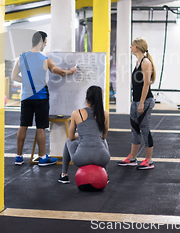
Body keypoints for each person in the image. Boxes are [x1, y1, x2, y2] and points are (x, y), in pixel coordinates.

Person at [12, 31, 77, 166]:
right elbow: (58, 71)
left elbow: (14, 77)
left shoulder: (21, 58)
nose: (45, 46)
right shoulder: (45, 60)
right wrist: (70, 71)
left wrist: (27, 83)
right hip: (41, 97)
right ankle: (42, 158)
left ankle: (18, 156)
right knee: (40, 127)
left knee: (23, 126)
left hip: (26, 97)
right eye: (45, 43)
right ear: (41, 42)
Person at [118, 37, 156, 170]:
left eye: (132, 45)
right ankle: (132, 158)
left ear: (138, 47)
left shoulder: (145, 62)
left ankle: (149, 160)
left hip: (144, 101)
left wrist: (141, 103)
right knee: (134, 130)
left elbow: (146, 84)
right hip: (136, 100)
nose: (130, 47)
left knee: (145, 130)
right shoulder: (137, 61)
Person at [58, 85, 110, 184]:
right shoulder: (105, 114)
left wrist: (81, 135)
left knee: (68, 141)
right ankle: (106, 174)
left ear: (86, 97)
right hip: (102, 158)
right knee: (103, 140)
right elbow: (103, 136)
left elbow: (71, 137)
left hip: (81, 158)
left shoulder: (76, 113)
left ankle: (64, 175)